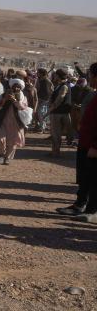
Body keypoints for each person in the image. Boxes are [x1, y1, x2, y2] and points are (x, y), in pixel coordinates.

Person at [57, 63, 97, 221]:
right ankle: (80, 205)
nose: (89, 77)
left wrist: (95, 145)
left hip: (93, 146)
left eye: (91, 75)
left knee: (94, 179)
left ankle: (92, 210)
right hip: (85, 143)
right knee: (85, 178)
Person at [0, 78, 30, 164]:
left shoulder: (22, 97)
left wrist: (14, 101)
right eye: (15, 86)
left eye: (18, 87)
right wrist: (5, 99)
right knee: (1, 139)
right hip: (3, 120)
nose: (17, 88)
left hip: (16, 122)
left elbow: (22, 108)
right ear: (12, 86)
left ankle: (7, 158)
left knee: (13, 141)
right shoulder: (3, 95)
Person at [49, 69, 73, 157]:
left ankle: (56, 152)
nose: (54, 77)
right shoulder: (60, 85)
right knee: (58, 132)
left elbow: (60, 98)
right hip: (62, 112)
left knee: (56, 133)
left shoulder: (64, 86)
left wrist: (52, 108)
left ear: (58, 76)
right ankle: (55, 150)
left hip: (58, 112)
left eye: (55, 75)